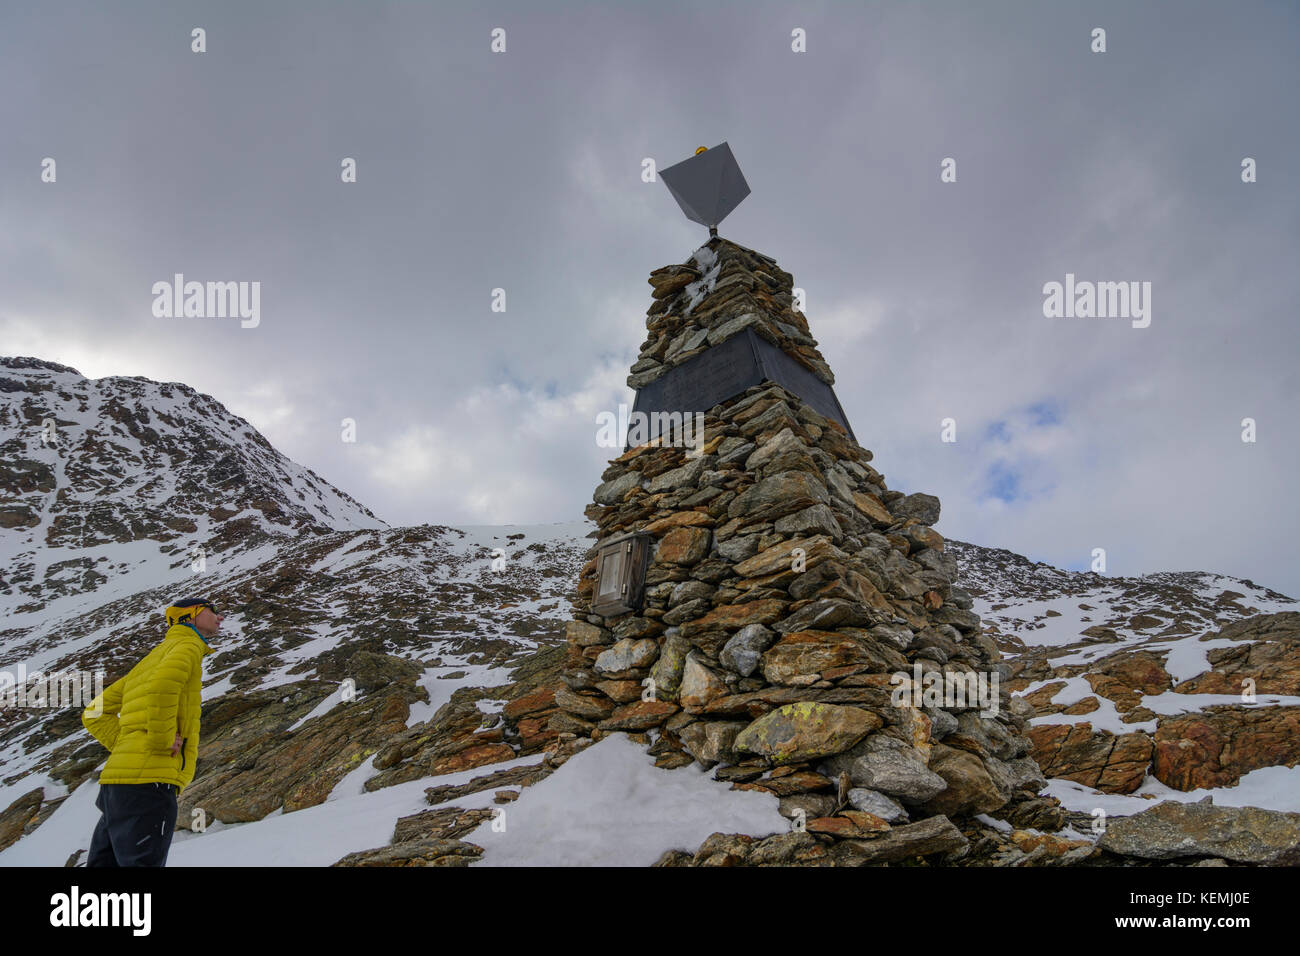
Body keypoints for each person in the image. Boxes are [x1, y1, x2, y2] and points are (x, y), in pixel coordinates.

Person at [81, 597, 221, 866]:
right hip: (150, 784)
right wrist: (161, 740)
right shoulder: (188, 645)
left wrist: (129, 745)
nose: (219, 616)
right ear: (190, 615)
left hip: (116, 787)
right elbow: (163, 685)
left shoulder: (152, 658)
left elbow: (93, 712)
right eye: (212, 610)